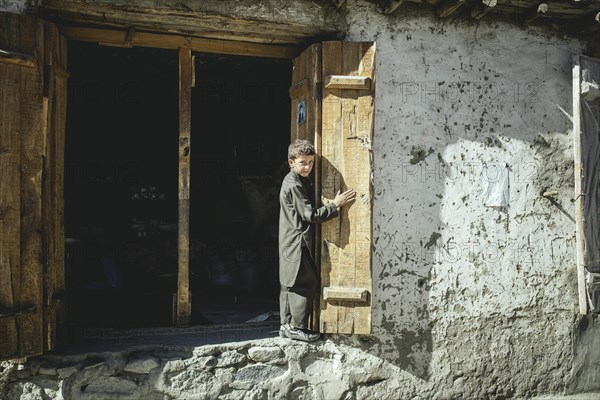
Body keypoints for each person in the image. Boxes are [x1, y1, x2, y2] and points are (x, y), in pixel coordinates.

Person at [278, 139, 356, 342]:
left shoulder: (298, 181)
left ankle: (287, 326)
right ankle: (295, 327)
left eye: (311, 162)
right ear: (291, 162)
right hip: (296, 241)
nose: (308, 167)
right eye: (303, 162)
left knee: (292, 282)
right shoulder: (293, 184)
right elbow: (309, 215)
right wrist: (335, 205)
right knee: (301, 282)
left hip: (292, 240)